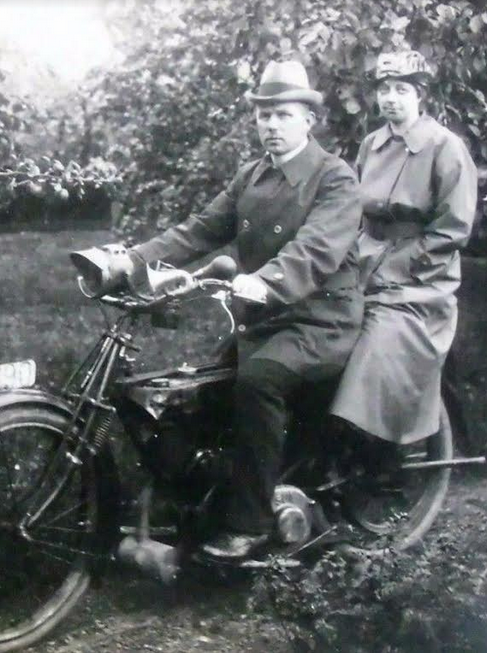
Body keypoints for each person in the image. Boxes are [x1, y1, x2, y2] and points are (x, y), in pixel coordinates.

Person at [100, 61, 364, 558]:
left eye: (283, 115)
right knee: (195, 393)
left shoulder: (335, 178)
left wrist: (262, 282)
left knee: (258, 380)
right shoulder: (252, 176)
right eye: (263, 115)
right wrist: (131, 262)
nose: (271, 125)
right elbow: (197, 231)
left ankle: (251, 522)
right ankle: (204, 499)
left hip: (320, 322)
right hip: (265, 316)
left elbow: (315, 249)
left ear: (309, 118)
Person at [331, 50, 477, 450]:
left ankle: (376, 448)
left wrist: (403, 264)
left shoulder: (444, 147)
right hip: (365, 258)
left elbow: (453, 227)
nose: (390, 98)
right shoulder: (371, 145)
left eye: (401, 90)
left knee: (380, 340)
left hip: (421, 276)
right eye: (383, 90)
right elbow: (354, 212)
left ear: (420, 96)